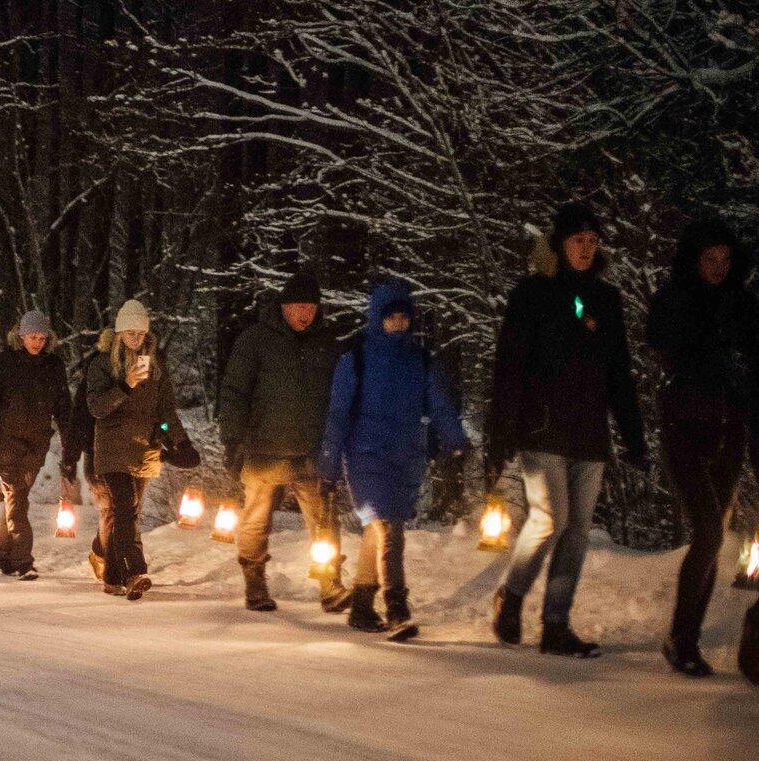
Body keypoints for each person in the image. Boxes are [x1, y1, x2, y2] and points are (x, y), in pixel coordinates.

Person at [486, 203, 648, 658]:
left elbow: (619, 372)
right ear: (559, 243)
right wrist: (502, 430)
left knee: (577, 529)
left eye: (592, 241)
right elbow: (510, 366)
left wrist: (632, 435)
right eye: (577, 240)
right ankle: (512, 597)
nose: (585, 248)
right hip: (541, 428)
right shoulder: (533, 293)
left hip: (589, 432)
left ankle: (556, 621)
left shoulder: (605, 300)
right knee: (550, 518)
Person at [318, 279, 468, 640]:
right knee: (389, 527)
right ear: (376, 318)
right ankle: (397, 606)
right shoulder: (356, 359)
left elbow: (440, 404)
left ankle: (362, 605)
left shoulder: (420, 361)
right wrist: (328, 465)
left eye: (404, 318)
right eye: (391, 318)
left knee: (379, 528)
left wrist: (455, 438)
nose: (398, 324)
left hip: (405, 454)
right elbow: (338, 414)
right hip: (365, 454)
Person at [647, 217, 757, 675]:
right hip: (686, 427)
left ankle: (683, 637)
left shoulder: (745, 304)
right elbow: (663, 344)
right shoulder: (675, 299)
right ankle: (682, 636)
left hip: (730, 430)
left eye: (725, 260)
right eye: (710, 259)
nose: (718, 267)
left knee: (713, 537)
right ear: (695, 259)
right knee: (710, 531)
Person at [218, 271, 349, 613]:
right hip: (263, 449)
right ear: (284, 307)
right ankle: (254, 580)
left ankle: (330, 583)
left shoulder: (328, 344)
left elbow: (339, 396)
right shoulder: (256, 340)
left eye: (311, 306)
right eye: (298, 306)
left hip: (310, 451)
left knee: (325, 520)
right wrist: (233, 441)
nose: (305, 313)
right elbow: (234, 392)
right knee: (256, 520)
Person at [82, 300, 199, 599]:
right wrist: (125, 385)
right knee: (124, 508)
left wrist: (181, 443)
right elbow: (96, 407)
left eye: (141, 333)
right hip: (112, 450)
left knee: (131, 514)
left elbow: (166, 412)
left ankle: (112, 576)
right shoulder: (102, 364)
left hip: (145, 450)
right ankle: (134, 571)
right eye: (130, 333)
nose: (136, 339)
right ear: (119, 334)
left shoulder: (156, 368)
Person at [0, 309, 72, 580]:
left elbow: (63, 406)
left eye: (42, 337)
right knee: (16, 498)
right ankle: (23, 560)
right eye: (32, 336)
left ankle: (1, 555)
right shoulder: (3, 363)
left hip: (36, 444)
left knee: (17, 500)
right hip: (5, 442)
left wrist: (70, 443)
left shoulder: (53, 366)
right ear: (21, 335)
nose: (37, 342)